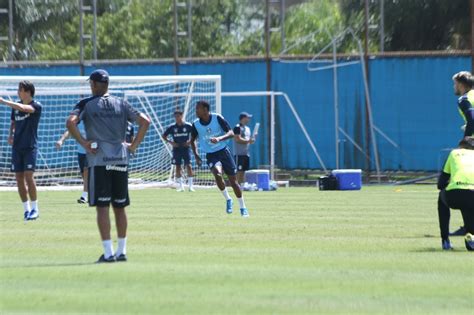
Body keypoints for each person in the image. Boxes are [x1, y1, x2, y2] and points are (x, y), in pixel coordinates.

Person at [66, 69, 150, 263]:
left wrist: (84, 143)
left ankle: (108, 253)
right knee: (120, 207)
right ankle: (122, 252)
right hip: (121, 160)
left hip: (99, 162)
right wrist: (134, 145)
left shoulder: (85, 104)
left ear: (94, 85)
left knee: (102, 207)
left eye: (91, 84)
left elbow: (70, 122)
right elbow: (145, 121)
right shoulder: (121, 103)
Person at [190, 100, 249, 217]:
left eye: (198, 108)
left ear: (205, 110)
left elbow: (231, 133)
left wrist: (219, 138)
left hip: (224, 152)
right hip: (211, 155)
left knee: (233, 181)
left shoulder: (217, 118)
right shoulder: (196, 124)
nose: (196, 110)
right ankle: (228, 199)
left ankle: (243, 207)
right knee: (217, 174)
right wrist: (196, 156)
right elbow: (192, 140)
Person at [0, 81, 42, 221]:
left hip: (30, 147)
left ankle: (35, 209)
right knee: (18, 179)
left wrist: (3, 101)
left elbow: (25, 108)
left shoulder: (36, 106)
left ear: (28, 92)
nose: (18, 92)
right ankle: (26, 210)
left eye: (21, 90)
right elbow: (13, 122)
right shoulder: (16, 107)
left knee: (29, 177)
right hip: (17, 148)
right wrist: (11, 135)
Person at [437, 136, 474, 251]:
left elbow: (440, 184)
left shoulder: (454, 153)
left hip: (455, 195)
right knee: (468, 205)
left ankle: (445, 240)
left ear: (460, 146)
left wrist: (452, 183)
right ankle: (471, 238)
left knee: (442, 198)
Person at [56, 122, 89, 204]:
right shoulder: (78, 121)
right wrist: (61, 140)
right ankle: (90, 193)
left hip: (92, 152)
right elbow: (70, 131)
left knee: (86, 171)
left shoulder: (93, 121)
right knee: (84, 176)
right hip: (81, 152)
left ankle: (84, 196)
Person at [162, 110, 195, 192]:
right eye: (175, 116)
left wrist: (190, 141)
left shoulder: (188, 125)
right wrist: (171, 142)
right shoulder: (172, 127)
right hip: (177, 149)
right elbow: (164, 136)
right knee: (177, 167)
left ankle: (191, 186)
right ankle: (181, 187)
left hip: (186, 149)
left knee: (189, 166)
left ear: (181, 116)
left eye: (178, 116)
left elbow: (195, 134)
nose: (176, 118)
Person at [233, 112, 256, 184]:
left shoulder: (248, 129)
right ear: (243, 118)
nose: (249, 119)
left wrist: (253, 138)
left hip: (246, 154)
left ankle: (241, 186)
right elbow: (237, 139)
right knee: (238, 171)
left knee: (243, 171)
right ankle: (236, 185)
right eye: (247, 117)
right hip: (239, 154)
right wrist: (249, 141)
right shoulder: (237, 127)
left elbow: (249, 140)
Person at [452, 71, 474, 137]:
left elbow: (472, 119)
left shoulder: (463, 99)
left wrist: (466, 140)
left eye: (455, 84)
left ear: (460, 85)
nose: (454, 87)